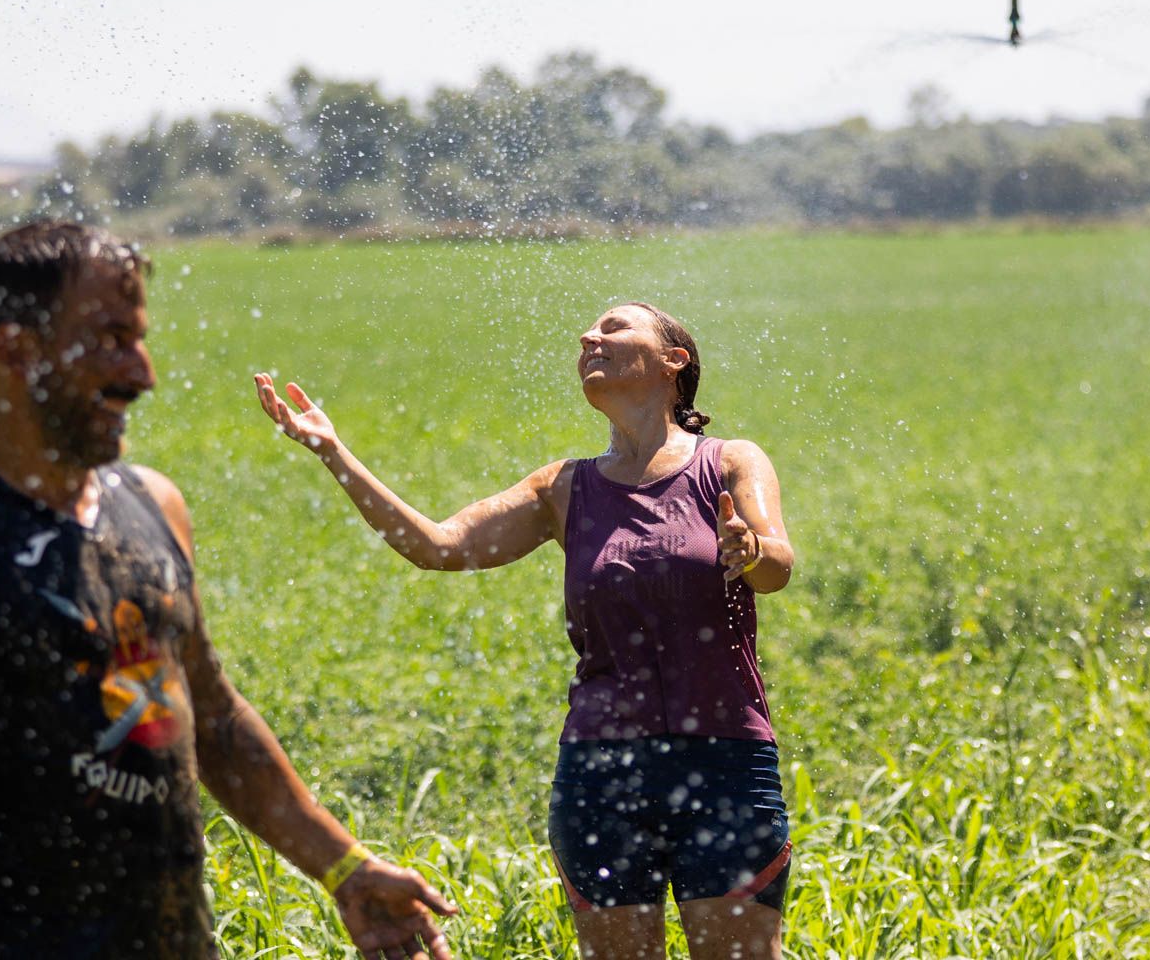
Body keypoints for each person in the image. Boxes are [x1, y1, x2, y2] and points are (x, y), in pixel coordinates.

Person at [0, 221, 457, 960]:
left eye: (138, 340)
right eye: (110, 340)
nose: (143, 374)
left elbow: (215, 722)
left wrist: (346, 869)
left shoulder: (154, 506)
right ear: (17, 350)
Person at [255, 301, 795, 959]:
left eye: (614, 328)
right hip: (600, 772)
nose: (589, 337)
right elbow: (439, 545)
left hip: (723, 763)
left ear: (673, 361)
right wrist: (333, 452)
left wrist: (750, 550)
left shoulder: (730, 462)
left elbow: (776, 567)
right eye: (588, 331)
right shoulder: (563, 488)